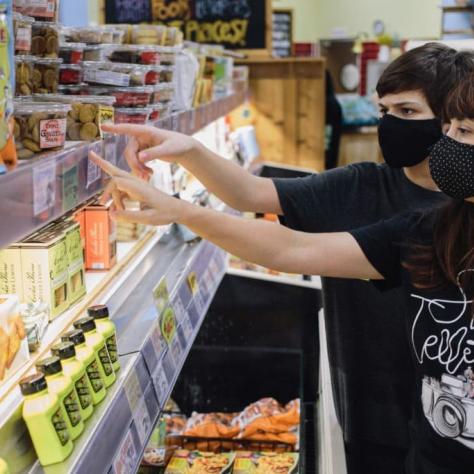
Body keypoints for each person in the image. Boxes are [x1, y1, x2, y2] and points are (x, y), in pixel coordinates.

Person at [99, 44, 474, 473]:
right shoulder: (421, 227)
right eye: (383, 111)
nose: (390, 125)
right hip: (384, 414)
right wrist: (186, 163)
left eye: (407, 112)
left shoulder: (442, 220)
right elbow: (285, 243)